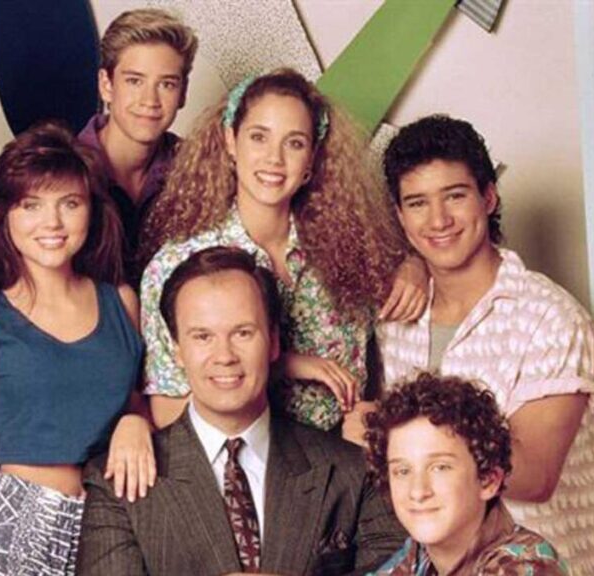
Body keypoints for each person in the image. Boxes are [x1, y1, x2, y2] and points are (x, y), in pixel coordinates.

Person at [369, 114, 594, 574]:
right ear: (400, 215)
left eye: (455, 196)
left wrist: (380, 436)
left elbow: (536, 477)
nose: (438, 219)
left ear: (488, 197)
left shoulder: (550, 318)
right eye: (417, 203)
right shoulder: (396, 320)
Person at [77, 246, 405, 575]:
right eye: (202, 337)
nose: (225, 356)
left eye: (243, 333)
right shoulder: (118, 483)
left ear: (274, 342)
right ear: (177, 350)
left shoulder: (351, 471)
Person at [139, 68, 427, 431]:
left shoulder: (349, 245)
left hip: (346, 454)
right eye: (259, 137)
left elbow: (436, 256)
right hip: (243, 462)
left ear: (312, 159)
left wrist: (415, 265)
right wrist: (283, 365)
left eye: (295, 143)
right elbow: (169, 416)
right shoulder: (175, 266)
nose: (274, 158)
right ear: (230, 141)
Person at [0, 122, 152, 576]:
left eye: (70, 203)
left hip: (109, 523)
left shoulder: (121, 301)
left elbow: (138, 402)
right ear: (4, 215)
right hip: (13, 527)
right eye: (31, 205)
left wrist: (135, 419)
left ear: (92, 210)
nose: (52, 223)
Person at [366, 373, 568, 575]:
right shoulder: (416, 554)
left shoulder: (524, 566)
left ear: (488, 480)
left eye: (440, 467)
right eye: (402, 471)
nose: (418, 491)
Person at [77, 8, 198, 284]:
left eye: (166, 84)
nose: (150, 101)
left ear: (183, 93)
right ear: (106, 85)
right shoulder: (61, 168)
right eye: (134, 81)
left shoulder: (196, 169)